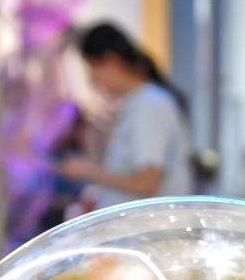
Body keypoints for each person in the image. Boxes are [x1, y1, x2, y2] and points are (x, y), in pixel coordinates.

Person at [57, 22, 193, 209]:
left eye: (92, 69)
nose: (92, 80)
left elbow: (147, 182)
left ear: (112, 61)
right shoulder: (139, 104)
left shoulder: (149, 106)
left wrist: (88, 171)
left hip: (149, 225)